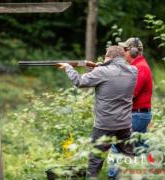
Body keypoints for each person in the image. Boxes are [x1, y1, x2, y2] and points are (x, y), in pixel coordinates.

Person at [57, 45, 138, 179]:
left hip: (104, 126)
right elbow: (113, 74)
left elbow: (79, 81)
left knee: (94, 163)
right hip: (124, 124)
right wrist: (100, 67)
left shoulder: (102, 72)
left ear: (110, 57)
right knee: (131, 160)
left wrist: (68, 67)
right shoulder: (133, 71)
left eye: (105, 55)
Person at [108, 38, 153, 179]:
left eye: (125, 50)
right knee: (141, 150)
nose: (123, 53)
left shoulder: (140, 68)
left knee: (118, 147)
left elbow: (130, 93)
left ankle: (113, 177)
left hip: (136, 115)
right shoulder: (137, 66)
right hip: (139, 115)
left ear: (133, 51)